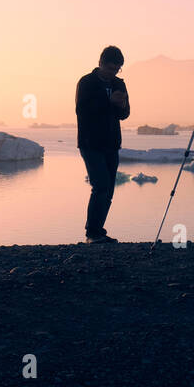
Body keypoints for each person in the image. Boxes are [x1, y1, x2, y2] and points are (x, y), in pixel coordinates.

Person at [75, 46, 130, 243]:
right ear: (100, 63)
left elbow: (124, 115)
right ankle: (92, 233)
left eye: (117, 69)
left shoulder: (119, 84)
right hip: (91, 143)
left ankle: (98, 231)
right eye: (110, 68)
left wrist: (121, 105)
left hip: (111, 143)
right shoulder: (87, 83)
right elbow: (83, 110)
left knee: (108, 190)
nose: (113, 72)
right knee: (100, 185)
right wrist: (109, 101)